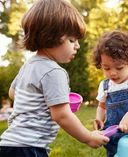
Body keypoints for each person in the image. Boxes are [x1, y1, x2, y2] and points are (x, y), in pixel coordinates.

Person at [0, 0, 109, 157]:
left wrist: (42, 102)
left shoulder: (29, 64)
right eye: (72, 40)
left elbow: (13, 93)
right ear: (50, 36)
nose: (77, 46)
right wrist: (88, 137)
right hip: (29, 148)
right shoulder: (54, 71)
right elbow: (62, 116)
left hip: (9, 144)